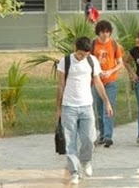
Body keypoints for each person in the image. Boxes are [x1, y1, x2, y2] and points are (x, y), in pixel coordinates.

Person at [56, 36, 113, 184]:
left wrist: (107, 102)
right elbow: (60, 85)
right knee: (70, 142)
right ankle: (74, 172)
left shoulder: (91, 61)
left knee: (89, 138)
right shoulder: (65, 62)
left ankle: (85, 161)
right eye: (81, 54)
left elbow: (98, 82)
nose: (82, 57)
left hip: (87, 106)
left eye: (86, 54)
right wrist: (58, 108)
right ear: (76, 49)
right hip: (69, 107)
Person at [91, 20, 124, 148]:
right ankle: (102, 134)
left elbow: (120, 63)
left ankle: (108, 136)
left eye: (107, 32)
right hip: (96, 81)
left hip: (110, 81)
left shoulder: (115, 45)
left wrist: (111, 71)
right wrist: (96, 74)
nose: (105, 34)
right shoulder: (93, 44)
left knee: (108, 109)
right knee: (99, 110)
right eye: (102, 32)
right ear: (98, 32)